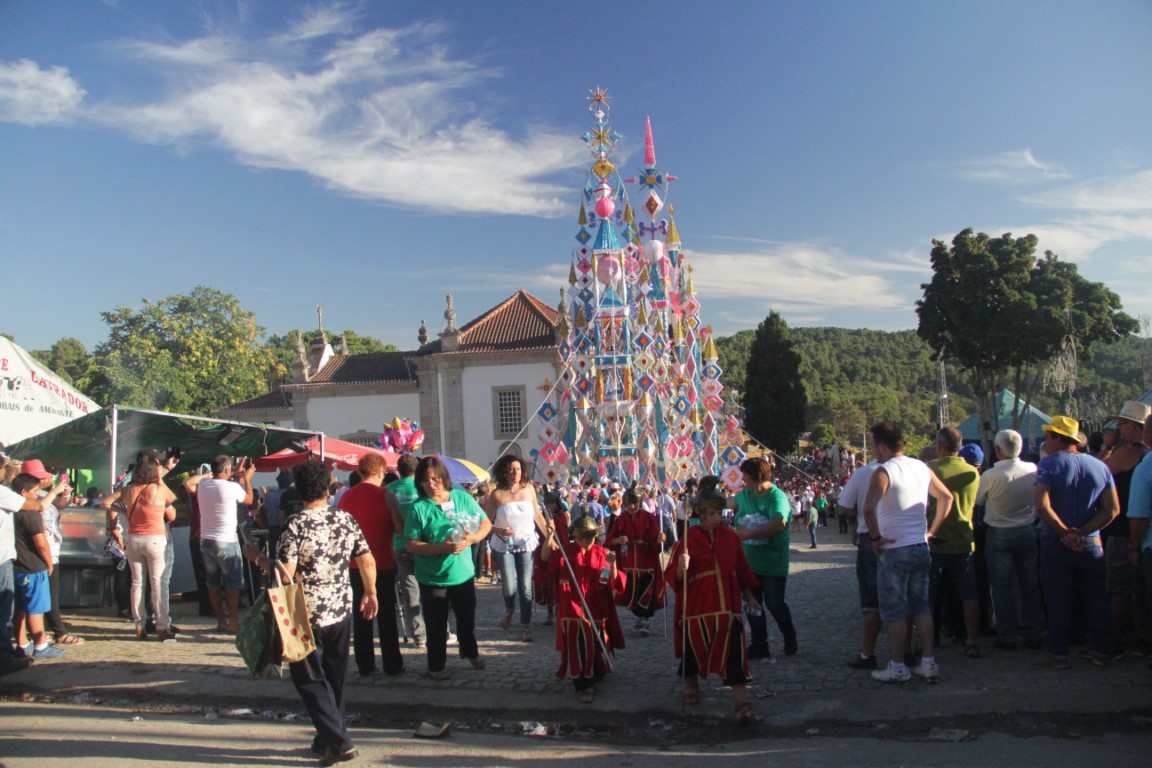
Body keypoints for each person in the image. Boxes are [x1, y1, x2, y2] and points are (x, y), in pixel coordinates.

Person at [244, 460, 377, 766]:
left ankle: (340, 741)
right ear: (328, 487)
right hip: (341, 607)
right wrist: (370, 592)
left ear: (299, 490)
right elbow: (366, 558)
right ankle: (327, 737)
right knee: (335, 675)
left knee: (309, 678)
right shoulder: (345, 519)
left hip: (306, 611)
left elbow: (285, 573)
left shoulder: (296, 524)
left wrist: (257, 558)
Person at [862, 422, 952, 683]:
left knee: (895, 611)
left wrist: (876, 538)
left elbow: (868, 509)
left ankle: (898, 666)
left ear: (881, 446)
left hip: (894, 548)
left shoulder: (883, 471)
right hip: (919, 546)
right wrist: (931, 532)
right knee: (921, 607)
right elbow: (946, 497)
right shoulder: (922, 467)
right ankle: (928, 661)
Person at [666, 485, 762, 724]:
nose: (714, 518)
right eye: (709, 514)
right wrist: (681, 567)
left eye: (718, 513)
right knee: (692, 647)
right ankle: (690, 682)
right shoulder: (687, 539)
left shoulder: (730, 537)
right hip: (697, 605)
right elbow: (674, 578)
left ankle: (741, 702)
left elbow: (742, 569)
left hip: (728, 607)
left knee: (734, 653)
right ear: (699, 512)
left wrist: (749, 596)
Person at [1033, 415, 1120, 668]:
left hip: (1055, 542)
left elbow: (1042, 504)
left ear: (1059, 438)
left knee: (1057, 598)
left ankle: (1059, 654)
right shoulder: (1100, 466)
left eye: (1048, 436)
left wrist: (1064, 532)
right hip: (1091, 543)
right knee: (1096, 598)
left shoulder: (1048, 465)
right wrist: (1082, 532)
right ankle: (1103, 651)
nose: (1045, 441)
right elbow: (1112, 510)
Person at [405, 455, 493, 680]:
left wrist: (473, 539)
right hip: (433, 576)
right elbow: (412, 544)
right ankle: (436, 666)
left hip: (462, 573)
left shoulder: (462, 498)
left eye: (435, 479)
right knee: (435, 623)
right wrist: (440, 547)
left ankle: (469, 651)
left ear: (443, 478)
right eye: (425, 481)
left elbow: (485, 522)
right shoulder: (418, 509)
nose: (431, 484)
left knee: (467, 618)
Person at [541, 514, 625, 703]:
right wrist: (549, 535)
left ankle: (594, 673)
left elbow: (608, 581)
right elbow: (545, 559)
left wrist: (613, 566)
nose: (585, 542)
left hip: (595, 605)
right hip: (571, 605)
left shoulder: (601, 553)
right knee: (576, 642)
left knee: (593, 644)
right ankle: (583, 684)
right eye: (581, 538)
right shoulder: (565, 550)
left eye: (589, 538)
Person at [977, 429, 1042, 651]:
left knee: (1001, 586)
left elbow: (978, 501)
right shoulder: (1033, 470)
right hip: (1027, 529)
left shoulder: (990, 475)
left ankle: (1007, 635)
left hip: (999, 532)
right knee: (1030, 585)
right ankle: (1034, 633)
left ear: (997, 450)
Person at [338, 453, 403, 677]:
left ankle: (365, 664)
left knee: (361, 614)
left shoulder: (346, 497)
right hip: (382, 562)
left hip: (355, 564)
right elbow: (399, 527)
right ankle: (392, 664)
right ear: (380, 472)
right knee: (386, 616)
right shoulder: (386, 495)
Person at [101, 454, 177, 641]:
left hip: (134, 538)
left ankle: (139, 624)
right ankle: (162, 625)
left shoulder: (128, 490)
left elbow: (105, 503)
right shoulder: (158, 489)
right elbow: (173, 498)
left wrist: (123, 511)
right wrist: (160, 476)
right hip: (155, 538)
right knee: (158, 584)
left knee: (137, 583)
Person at [731, 456, 797, 659]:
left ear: (756, 477)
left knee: (775, 604)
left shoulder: (777, 498)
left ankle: (789, 637)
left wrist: (748, 534)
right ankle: (760, 645)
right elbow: (728, 502)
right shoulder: (745, 495)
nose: (743, 481)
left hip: (772, 562)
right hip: (749, 562)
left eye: (745, 477)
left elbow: (778, 524)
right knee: (752, 604)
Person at [926, 427, 982, 657]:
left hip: (935, 539)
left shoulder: (930, 470)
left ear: (939, 446)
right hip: (964, 539)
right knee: (969, 595)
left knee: (929, 596)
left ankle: (929, 639)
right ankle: (970, 640)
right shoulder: (973, 472)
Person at [484, 455, 551, 642]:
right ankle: (509, 609)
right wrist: (498, 529)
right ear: (504, 472)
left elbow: (537, 515)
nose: (515, 473)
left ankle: (525, 627)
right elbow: (485, 523)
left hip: (526, 541)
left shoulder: (529, 490)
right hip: (503, 544)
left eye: (518, 469)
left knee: (526, 586)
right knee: (509, 587)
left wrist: (549, 537)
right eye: (511, 469)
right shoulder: (496, 495)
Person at [1103, 401, 1151, 656]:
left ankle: (1112, 643)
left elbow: (1099, 472)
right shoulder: (1147, 455)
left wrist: (1108, 448)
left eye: (1121, 424)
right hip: (1142, 534)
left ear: (1132, 426)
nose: (1119, 429)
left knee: (1118, 589)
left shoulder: (1128, 453)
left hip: (1124, 532)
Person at [190, 455, 255, 633]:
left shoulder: (204, 485)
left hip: (206, 539)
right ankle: (233, 622)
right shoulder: (232, 487)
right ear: (226, 470)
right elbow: (249, 500)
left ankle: (221, 621)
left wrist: (227, 472)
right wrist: (247, 479)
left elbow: (189, 482)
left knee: (213, 582)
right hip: (226, 539)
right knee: (233, 583)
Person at [10, 472, 70, 660]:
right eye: (35, 491)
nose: (38, 495)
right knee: (35, 608)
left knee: (19, 608)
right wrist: (48, 562)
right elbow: (41, 542)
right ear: (24, 492)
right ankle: (41, 645)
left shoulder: (10, 511)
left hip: (16, 564)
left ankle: (22, 643)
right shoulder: (30, 514)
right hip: (33, 565)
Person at [838, 458, 883, 669]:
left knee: (872, 601)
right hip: (908, 539)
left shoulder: (866, 472)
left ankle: (868, 653)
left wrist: (860, 518)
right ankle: (909, 653)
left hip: (872, 538)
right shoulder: (917, 467)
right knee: (907, 599)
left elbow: (846, 506)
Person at [605, 486, 665, 635]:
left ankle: (645, 619)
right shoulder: (620, 519)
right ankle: (639, 617)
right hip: (628, 562)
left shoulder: (649, 518)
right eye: (628, 503)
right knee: (632, 593)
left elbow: (656, 541)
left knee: (646, 591)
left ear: (638, 502)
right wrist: (618, 539)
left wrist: (660, 540)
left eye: (634, 503)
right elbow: (609, 540)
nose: (631, 506)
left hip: (646, 562)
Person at [386, 454, 427, 648]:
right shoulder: (423, 489)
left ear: (398, 469)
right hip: (423, 544)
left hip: (400, 545)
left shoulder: (388, 490)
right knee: (430, 587)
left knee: (410, 590)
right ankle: (440, 630)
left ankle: (419, 636)